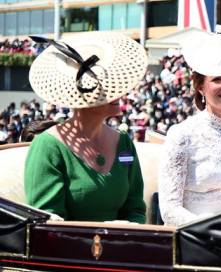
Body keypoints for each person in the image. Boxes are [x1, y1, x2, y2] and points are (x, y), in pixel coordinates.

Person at [24, 31, 148, 223]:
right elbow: (48, 222)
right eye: (104, 84)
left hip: (121, 241)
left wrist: (127, 229)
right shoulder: (48, 146)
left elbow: (136, 209)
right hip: (70, 242)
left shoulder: (124, 144)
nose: (118, 90)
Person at [158, 21, 221, 226]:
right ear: (201, 87)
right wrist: (211, 229)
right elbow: (170, 210)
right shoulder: (182, 135)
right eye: (217, 79)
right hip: (192, 235)